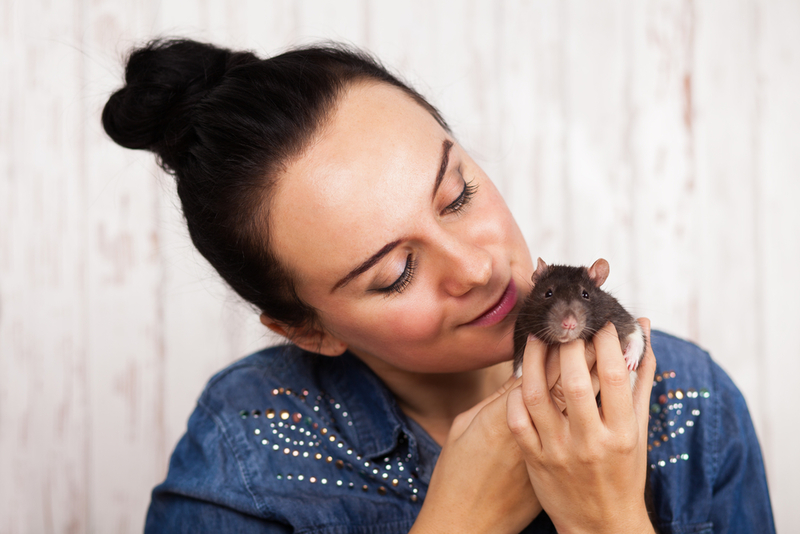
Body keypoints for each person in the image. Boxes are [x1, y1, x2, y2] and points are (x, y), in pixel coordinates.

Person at [102, 39, 775, 534]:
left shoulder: (691, 403)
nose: (477, 268)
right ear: (311, 330)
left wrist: (608, 518)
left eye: (458, 195)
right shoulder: (247, 452)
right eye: (395, 273)